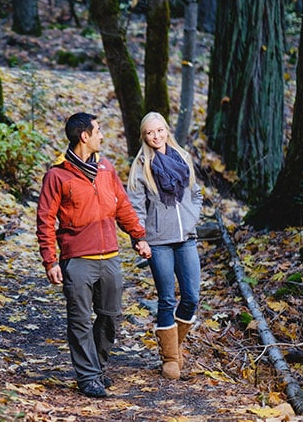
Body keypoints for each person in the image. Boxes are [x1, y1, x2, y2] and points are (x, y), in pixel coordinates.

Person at [36, 112, 151, 398]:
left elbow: (122, 205)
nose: (102, 135)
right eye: (98, 130)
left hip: (110, 256)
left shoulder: (106, 169)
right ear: (84, 136)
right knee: (79, 320)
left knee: (110, 316)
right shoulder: (57, 175)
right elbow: (45, 219)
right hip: (77, 260)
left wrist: (137, 236)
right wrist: (50, 260)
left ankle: (97, 370)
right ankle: (87, 377)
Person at [127, 112, 203, 380]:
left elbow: (195, 192)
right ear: (144, 136)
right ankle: (170, 358)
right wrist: (140, 238)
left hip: (186, 239)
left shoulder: (182, 157)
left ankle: (175, 346)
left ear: (167, 131)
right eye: (150, 132)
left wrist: (194, 218)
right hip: (158, 241)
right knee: (167, 298)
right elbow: (135, 206)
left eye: (160, 130)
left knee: (192, 297)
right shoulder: (141, 166)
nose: (156, 136)